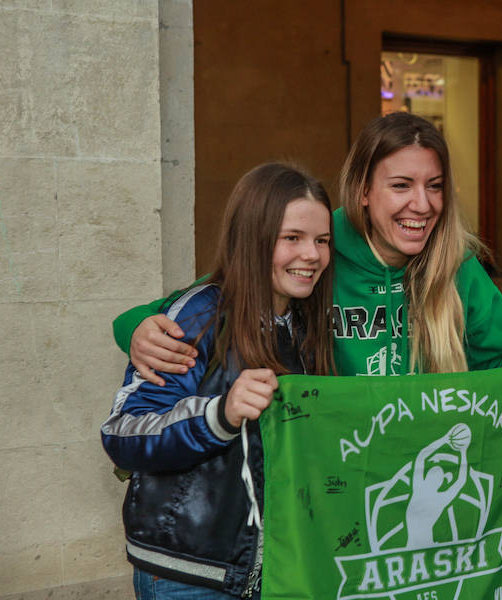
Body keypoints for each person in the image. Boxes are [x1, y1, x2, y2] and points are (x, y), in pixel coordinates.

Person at [113, 111, 502, 383]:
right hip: (330, 477)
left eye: (435, 185)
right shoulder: (315, 252)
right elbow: (199, 303)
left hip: (421, 466)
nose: (422, 205)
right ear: (364, 190)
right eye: (402, 185)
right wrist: (139, 331)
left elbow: (501, 362)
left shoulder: (455, 263)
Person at [101, 163, 335, 599]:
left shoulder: (308, 324)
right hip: (187, 574)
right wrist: (219, 415)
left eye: (322, 240)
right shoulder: (197, 316)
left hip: (279, 571)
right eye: (293, 238)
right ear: (252, 237)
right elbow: (122, 433)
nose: (312, 255)